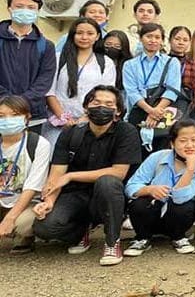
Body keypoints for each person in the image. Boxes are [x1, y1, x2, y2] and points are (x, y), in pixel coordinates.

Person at [33, 85, 141, 266]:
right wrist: (48, 201)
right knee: (44, 227)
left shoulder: (126, 132)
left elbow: (118, 172)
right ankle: (81, 231)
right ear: (86, 106)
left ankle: (112, 242)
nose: (101, 107)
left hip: (109, 196)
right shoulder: (71, 133)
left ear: (118, 111)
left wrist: (71, 176)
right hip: (76, 195)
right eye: (96, 102)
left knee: (108, 182)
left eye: (108, 104)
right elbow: (57, 174)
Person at [124, 119, 195, 256]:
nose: (189, 145)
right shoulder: (157, 157)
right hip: (153, 213)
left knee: (184, 205)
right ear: (172, 143)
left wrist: (190, 170)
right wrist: (149, 189)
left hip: (178, 217)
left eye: (194, 140)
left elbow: (179, 198)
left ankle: (179, 238)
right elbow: (131, 186)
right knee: (139, 203)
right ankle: (142, 238)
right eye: (182, 141)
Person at [43, 17, 116, 144]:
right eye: (79, 33)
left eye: (90, 33)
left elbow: (107, 94)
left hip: (91, 122)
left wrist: (86, 117)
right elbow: (49, 92)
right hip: (58, 124)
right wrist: (63, 118)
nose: (84, 37)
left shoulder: (105, 62)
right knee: (55, 159)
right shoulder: (58, 58)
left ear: (97, 36)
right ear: (72, 35)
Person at [0, 96, 51, 254]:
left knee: (23, 225)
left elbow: (32, 186)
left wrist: (10, 218)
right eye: (1, 116)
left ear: (27, 117)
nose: (8, 120)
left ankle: (25, 238)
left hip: (26, 202)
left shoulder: (38, 144)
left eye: (15, 115)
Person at [0, 0, 56, 133]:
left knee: (29, 153)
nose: (25, 10)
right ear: (9, 8)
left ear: (37, 11)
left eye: (31, 7)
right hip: (0, 112)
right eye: (19, 6)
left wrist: (21, 103)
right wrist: (6, 102)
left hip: (32, 115)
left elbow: (45, 80)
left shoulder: (46, 45)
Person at [122, 23, 181, 152]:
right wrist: (150, 110)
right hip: (138, 110)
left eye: (157, 37)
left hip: (163, 112)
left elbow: (173, 90)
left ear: (162, 40)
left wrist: (155, 113)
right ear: (141, 38)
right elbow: (131, 92)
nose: (153, 40)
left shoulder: (172, 62)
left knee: (161, 152)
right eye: (149, 36)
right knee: (135, 153)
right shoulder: (129, 65)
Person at [167, 26, 195, 115]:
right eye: (177, 39)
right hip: (162, 103)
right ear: (169, 40)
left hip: (184, 104)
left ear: (190, 43)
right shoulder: (162, 61)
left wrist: (190, 107)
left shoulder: (193, 64)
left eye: (185, 40)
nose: (181, 43)